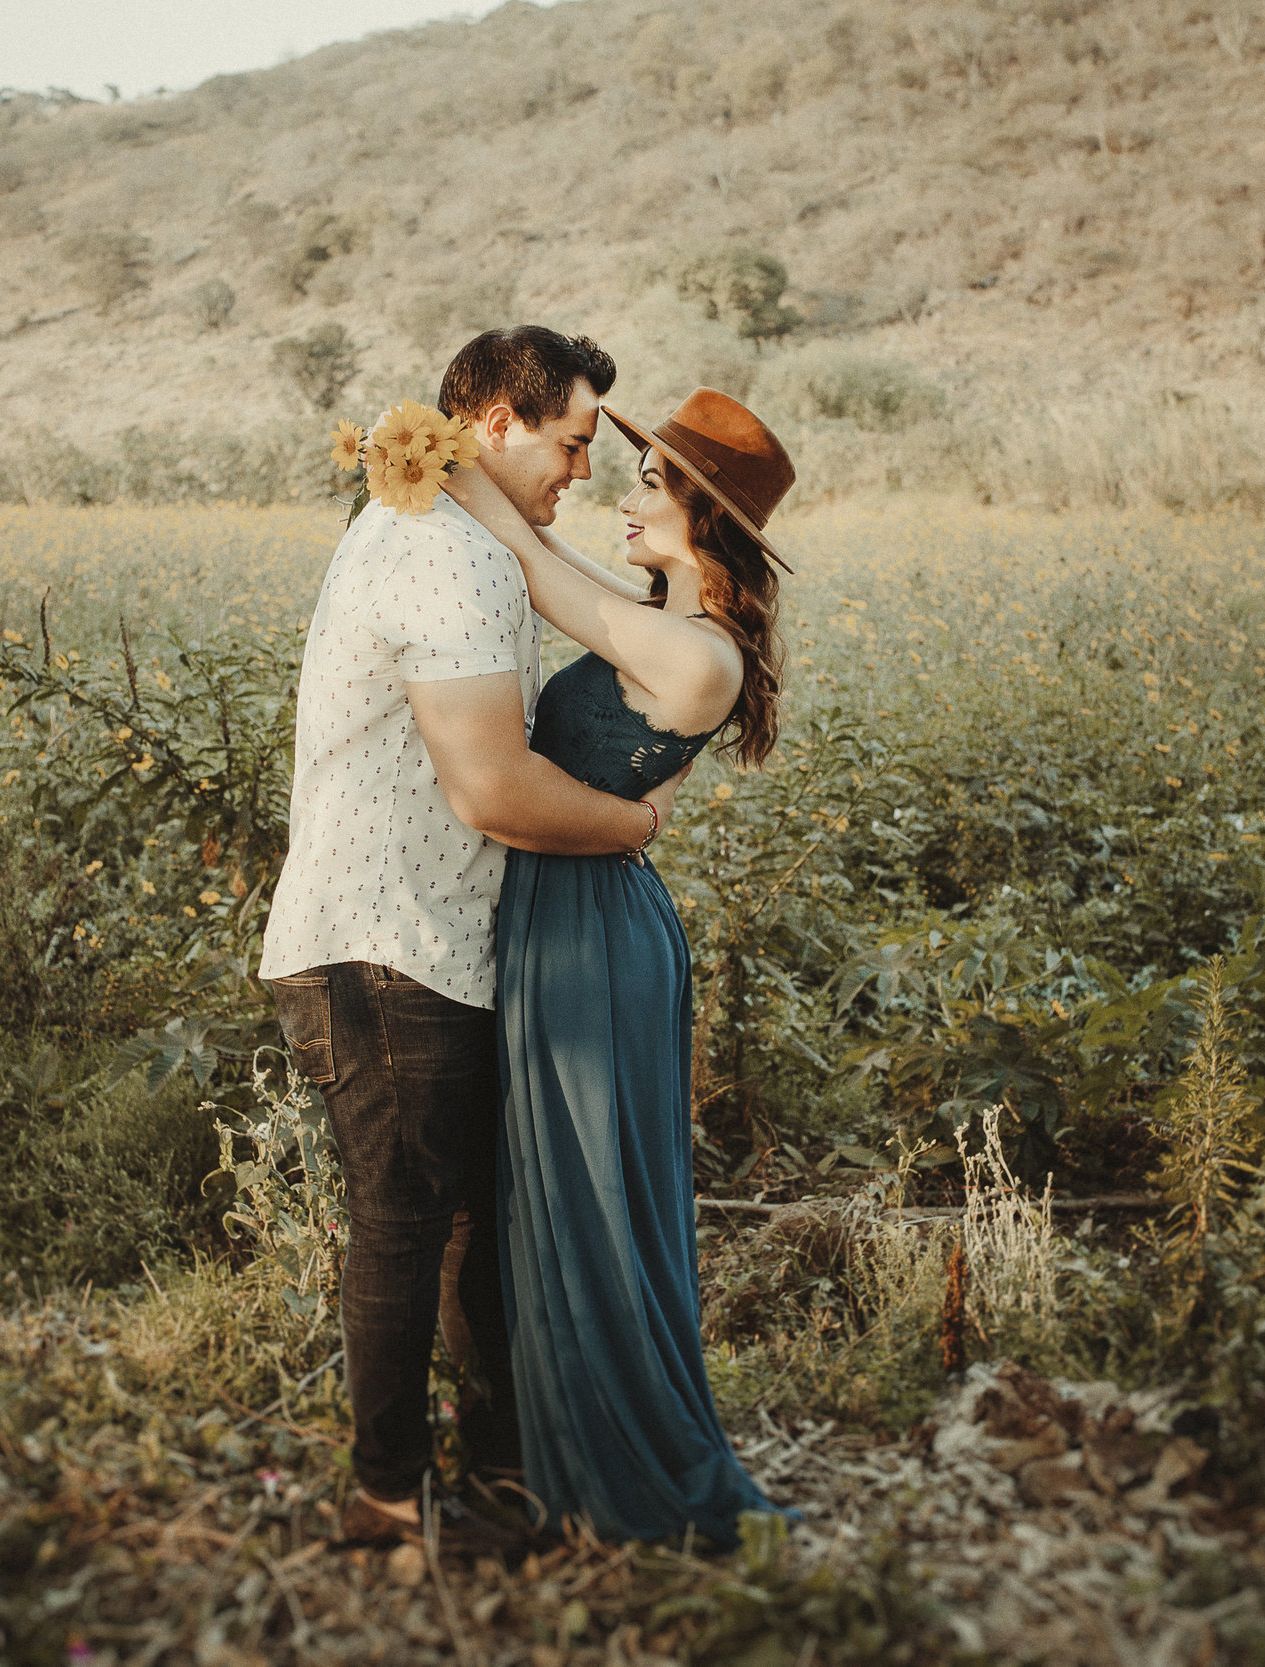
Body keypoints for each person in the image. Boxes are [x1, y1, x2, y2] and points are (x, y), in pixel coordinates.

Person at [257, 327, 689, 1555]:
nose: (582, 472)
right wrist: (631, 824)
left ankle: (500, 1468)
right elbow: (492, 789)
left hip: (424, 934)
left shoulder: (452, 535)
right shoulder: (444, 555)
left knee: (462, 1217)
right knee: (405, 1216)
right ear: (496, 420)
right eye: (571, 442)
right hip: (383, 940)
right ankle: (390, 1499)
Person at [443, 387, 798, 1547]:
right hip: (560, 911)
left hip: (593, 933)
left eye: (650, 485)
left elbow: (542, 576)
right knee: (548, 1189)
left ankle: (625, 1465)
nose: (625, 501)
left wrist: (448, 472)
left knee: (591, 1192)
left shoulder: (701, 657)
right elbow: (548, 561)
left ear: (707, 520)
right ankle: (553, 1444)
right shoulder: (658, 622)